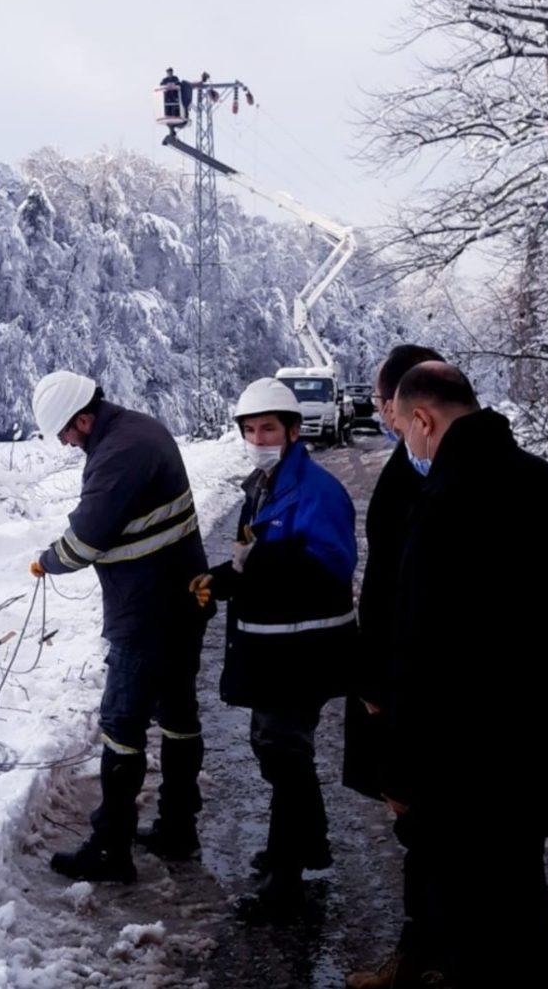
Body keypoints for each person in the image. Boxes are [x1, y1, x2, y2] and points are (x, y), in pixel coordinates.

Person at [367, 361, 548, 989]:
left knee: (473, 923)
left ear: (423, 418)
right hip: (531, 731)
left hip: (462, 753)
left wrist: (399, 767)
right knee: (520, 908)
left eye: (408, 432)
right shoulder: (544, 482)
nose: (409, 446)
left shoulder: (443, 499)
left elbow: (421, 648)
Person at [29, 370, 210, 883]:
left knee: (121, 724)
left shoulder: (118, 453)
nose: (65, 442)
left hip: (148, 610)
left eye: (65, 433)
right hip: (183, 597)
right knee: (177, 714)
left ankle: (111, 849)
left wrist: (47, 560)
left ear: (83, 419)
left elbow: (85, 540)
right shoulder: (139, 429)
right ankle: (178, 826)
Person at [190, 377, 357, 921]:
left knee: (284, 752)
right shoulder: (261, 485)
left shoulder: (316, 491)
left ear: (292, 430)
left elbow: (331, 569)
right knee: (274, 748)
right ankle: (309, 844)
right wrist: (221, 579)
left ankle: (285, 880)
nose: (258, 437)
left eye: (268, 428)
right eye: (250, 429)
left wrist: (260, 566)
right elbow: (250, 559)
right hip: (274, 646)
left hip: (304, 649)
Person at [343, 345, 445, 989]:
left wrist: (378, 691)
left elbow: (396, 594)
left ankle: (426, 958)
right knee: (423, 829)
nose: (384, 418)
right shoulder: (416, 471)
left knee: (423, 825)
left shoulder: (428, 478)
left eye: (387, 408)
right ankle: (426, 952)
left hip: (414, 691)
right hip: (404, 682)